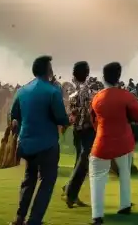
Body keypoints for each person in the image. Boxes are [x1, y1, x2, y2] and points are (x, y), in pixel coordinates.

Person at [9, 55, 69, 225]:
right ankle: (34, 221)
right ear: (48, 70)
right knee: (47, 182)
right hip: (47, 145)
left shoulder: (22, 91)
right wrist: (68, 120)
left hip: (26, 144)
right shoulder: (52, 91)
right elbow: (60, 118)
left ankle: (19, 218)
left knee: (29, 179)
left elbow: (14, 115)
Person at [88, 62, 138, 224]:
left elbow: (93, 120)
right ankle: (125, 204)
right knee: (125, 172)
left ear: (103, 77)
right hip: (123, 140)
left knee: (97, 177)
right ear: (118, 77)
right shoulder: (126, 96)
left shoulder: (97, 97)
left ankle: (97, 215)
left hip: (103, 141)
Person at [63, 61, 93, 209]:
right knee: (84, 162)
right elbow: (89, 111)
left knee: (79, 161)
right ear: (86, 73)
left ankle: (70, 190)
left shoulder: (70, 87)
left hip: (76, 129)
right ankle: (70, 192)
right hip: (87, 129)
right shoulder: (86, 90)